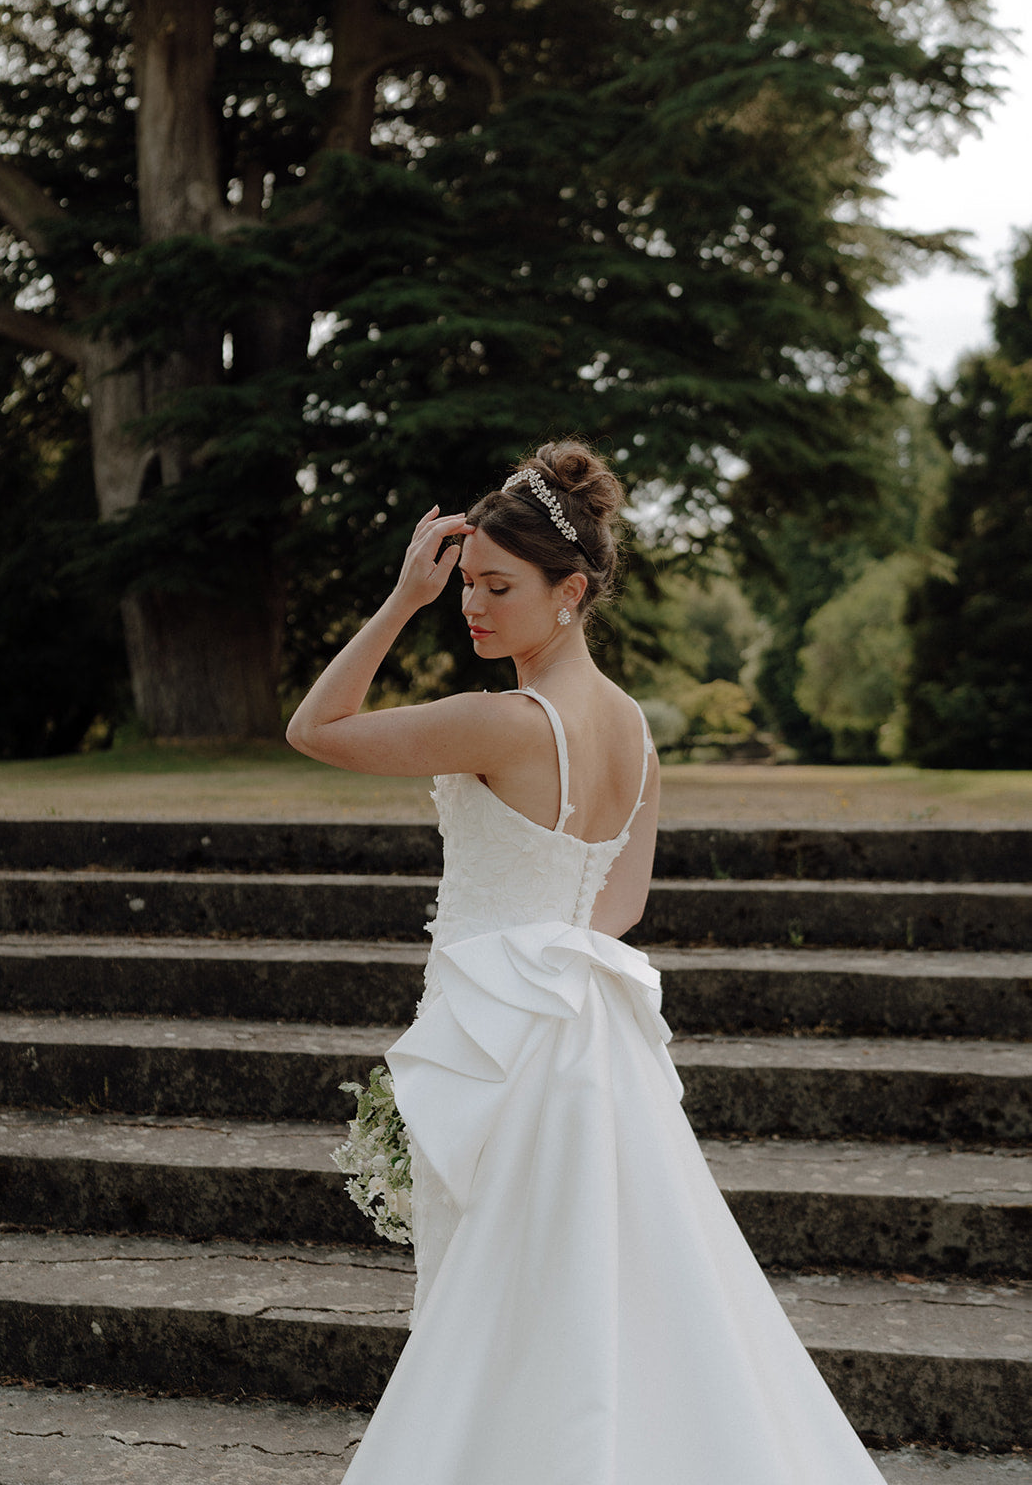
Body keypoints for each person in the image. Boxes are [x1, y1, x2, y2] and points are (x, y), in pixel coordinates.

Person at [287, 439, 887, 1485]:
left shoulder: (504, 722)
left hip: (501, 1049)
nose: (470, 606)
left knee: (500, 1312)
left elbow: (314, 726)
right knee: (607, 1309)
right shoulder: (634, 732)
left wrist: (397, 602)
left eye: (494, 586)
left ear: (570, 592)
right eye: (464, 583)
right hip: (591, 1045)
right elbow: (618, 905)